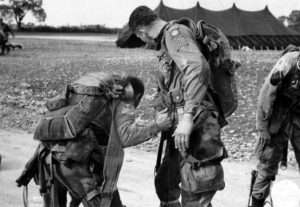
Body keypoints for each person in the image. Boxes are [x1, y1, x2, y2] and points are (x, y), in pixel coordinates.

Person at [16, 72, 173, 207]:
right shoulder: (125, 98)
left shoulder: (95, 95)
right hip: (79, 167)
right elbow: (126, 137)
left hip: (49, 159)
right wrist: (157, 125)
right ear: (138, 96)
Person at [128, 6, 228, 207]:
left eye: (139, 37)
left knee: (195, 192)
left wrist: (187, 117)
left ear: (141, 31)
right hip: (181, 120)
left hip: (195, 120)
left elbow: (197, 67)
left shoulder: (175, 34)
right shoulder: (169, 38)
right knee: (168, 183)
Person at [252, 45, 300, 207]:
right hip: (279, 118)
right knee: (267, 166)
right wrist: (263, 128)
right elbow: (267, 93)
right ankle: (257, 202)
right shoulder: (289, 62)